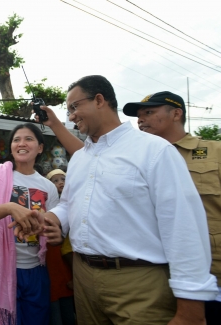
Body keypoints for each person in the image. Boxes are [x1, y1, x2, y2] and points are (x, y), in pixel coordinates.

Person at [33, 75, 217, 325]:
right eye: (69, 111)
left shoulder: (153, 151)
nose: (72, 116)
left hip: (140, 284)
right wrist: (54, 218)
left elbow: (184, 228)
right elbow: (69, 204)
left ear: (99, 100)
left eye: (74, 107)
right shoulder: (79, 159)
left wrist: (191, 309)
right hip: (84, 279)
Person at [122, 91, 221, 324]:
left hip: (213, 273)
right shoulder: (133, 159)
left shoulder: (215, 153)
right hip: (155, 276)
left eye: (148, 112)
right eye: (138, 115)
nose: (140, 120)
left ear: (176, 113)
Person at [0, 122, 61, 325]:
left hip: (35, 267)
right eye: (16, 139)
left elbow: (53, 228)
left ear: (40, 148)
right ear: (11, 147)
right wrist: (10, 208)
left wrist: (48, 231)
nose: (21, 143)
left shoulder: (48, 187)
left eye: (29, 139)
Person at [45, 169, 75, 325]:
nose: (60, 183)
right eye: (55, 181)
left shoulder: (73, 204)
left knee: (69, 312)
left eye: (63, 179)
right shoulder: (46, 208)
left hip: (68, 268)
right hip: (51, 264)